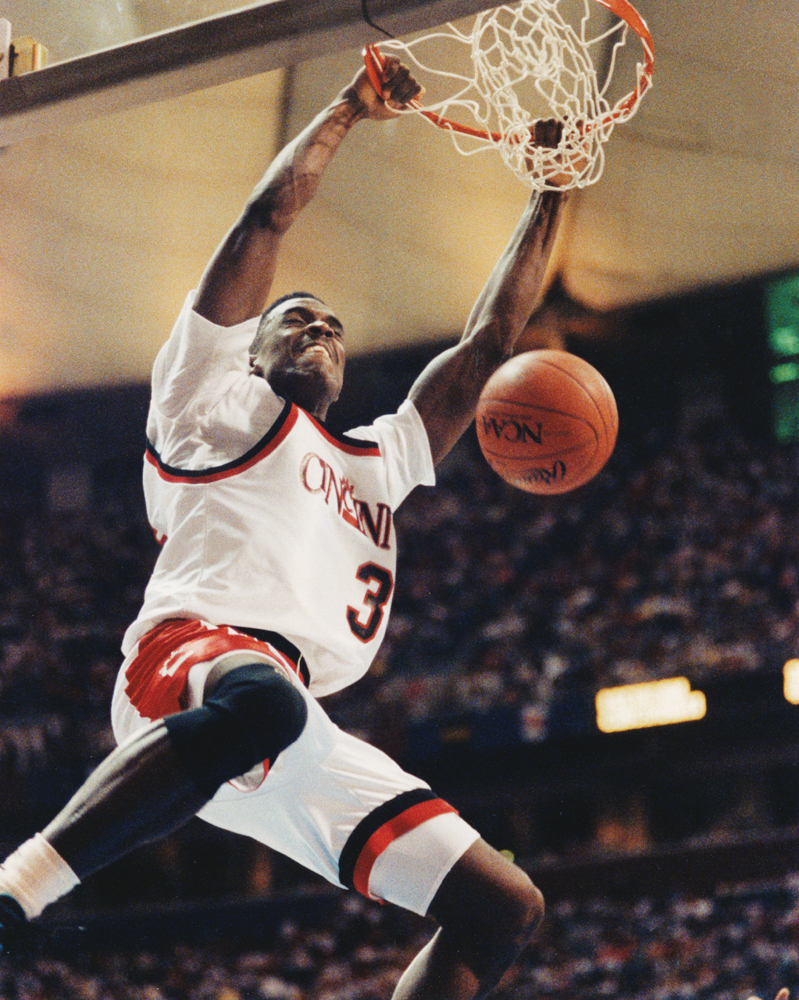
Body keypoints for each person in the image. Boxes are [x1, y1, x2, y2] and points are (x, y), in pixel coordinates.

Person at [0, 55, 568, 999]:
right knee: (265, 700)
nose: (320, 330)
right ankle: (16, 893)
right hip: (190, 665)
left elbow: (488, 343)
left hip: (297, 726)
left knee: (503, 907)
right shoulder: (205, 408)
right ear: (246, 350)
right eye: (295, 318)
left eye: (333, 327)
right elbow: (264, 220)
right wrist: (349, 109)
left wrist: (547, 191)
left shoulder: (379, 461)